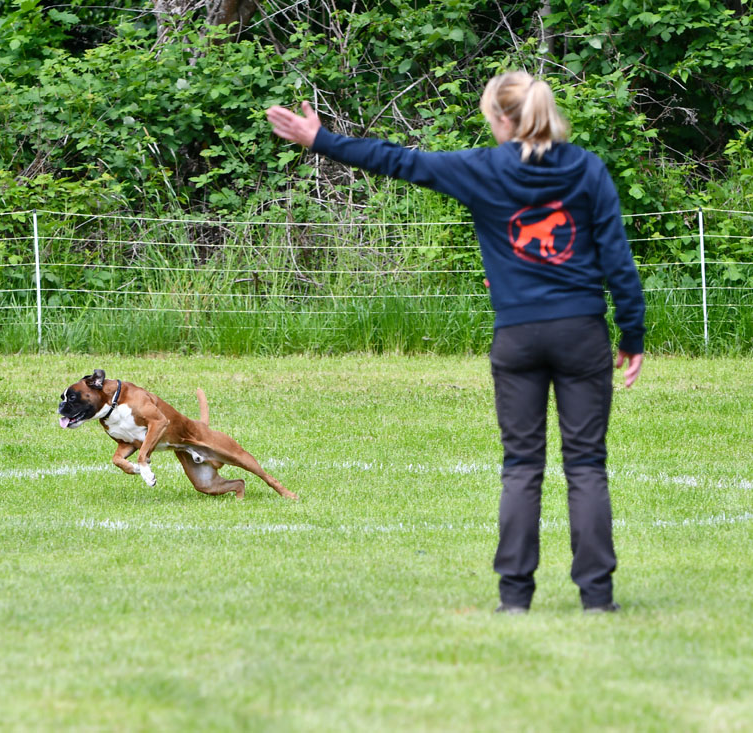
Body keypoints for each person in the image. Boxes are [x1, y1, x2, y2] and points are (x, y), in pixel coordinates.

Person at [267, 71, 645, 614]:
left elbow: (397, 160)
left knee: (522, 465)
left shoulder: (481, 168)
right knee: (586, 464)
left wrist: (320, 140)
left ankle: (515, 599)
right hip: (581, 332)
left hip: (517, 337)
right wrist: (631, 333)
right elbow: (618, 262)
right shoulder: (587, 169)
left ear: (498, 119)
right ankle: (597, 601)